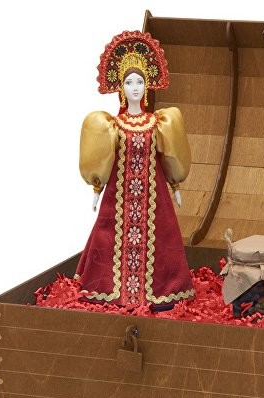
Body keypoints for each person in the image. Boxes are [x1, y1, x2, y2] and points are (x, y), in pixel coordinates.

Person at [74, 31, 195, 309]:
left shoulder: (159, 122)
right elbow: (102, 158)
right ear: (121, 87)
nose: (135, 88)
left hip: (153, 198)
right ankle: (110, 290)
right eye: (129, 82)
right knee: (109, 237)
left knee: (161, 240)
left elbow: (170, 156)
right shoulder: (111, 125)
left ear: (147, 85)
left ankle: (162, 292)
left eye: (140, 82)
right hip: (119, 198)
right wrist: (97, 188)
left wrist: (176, 186)